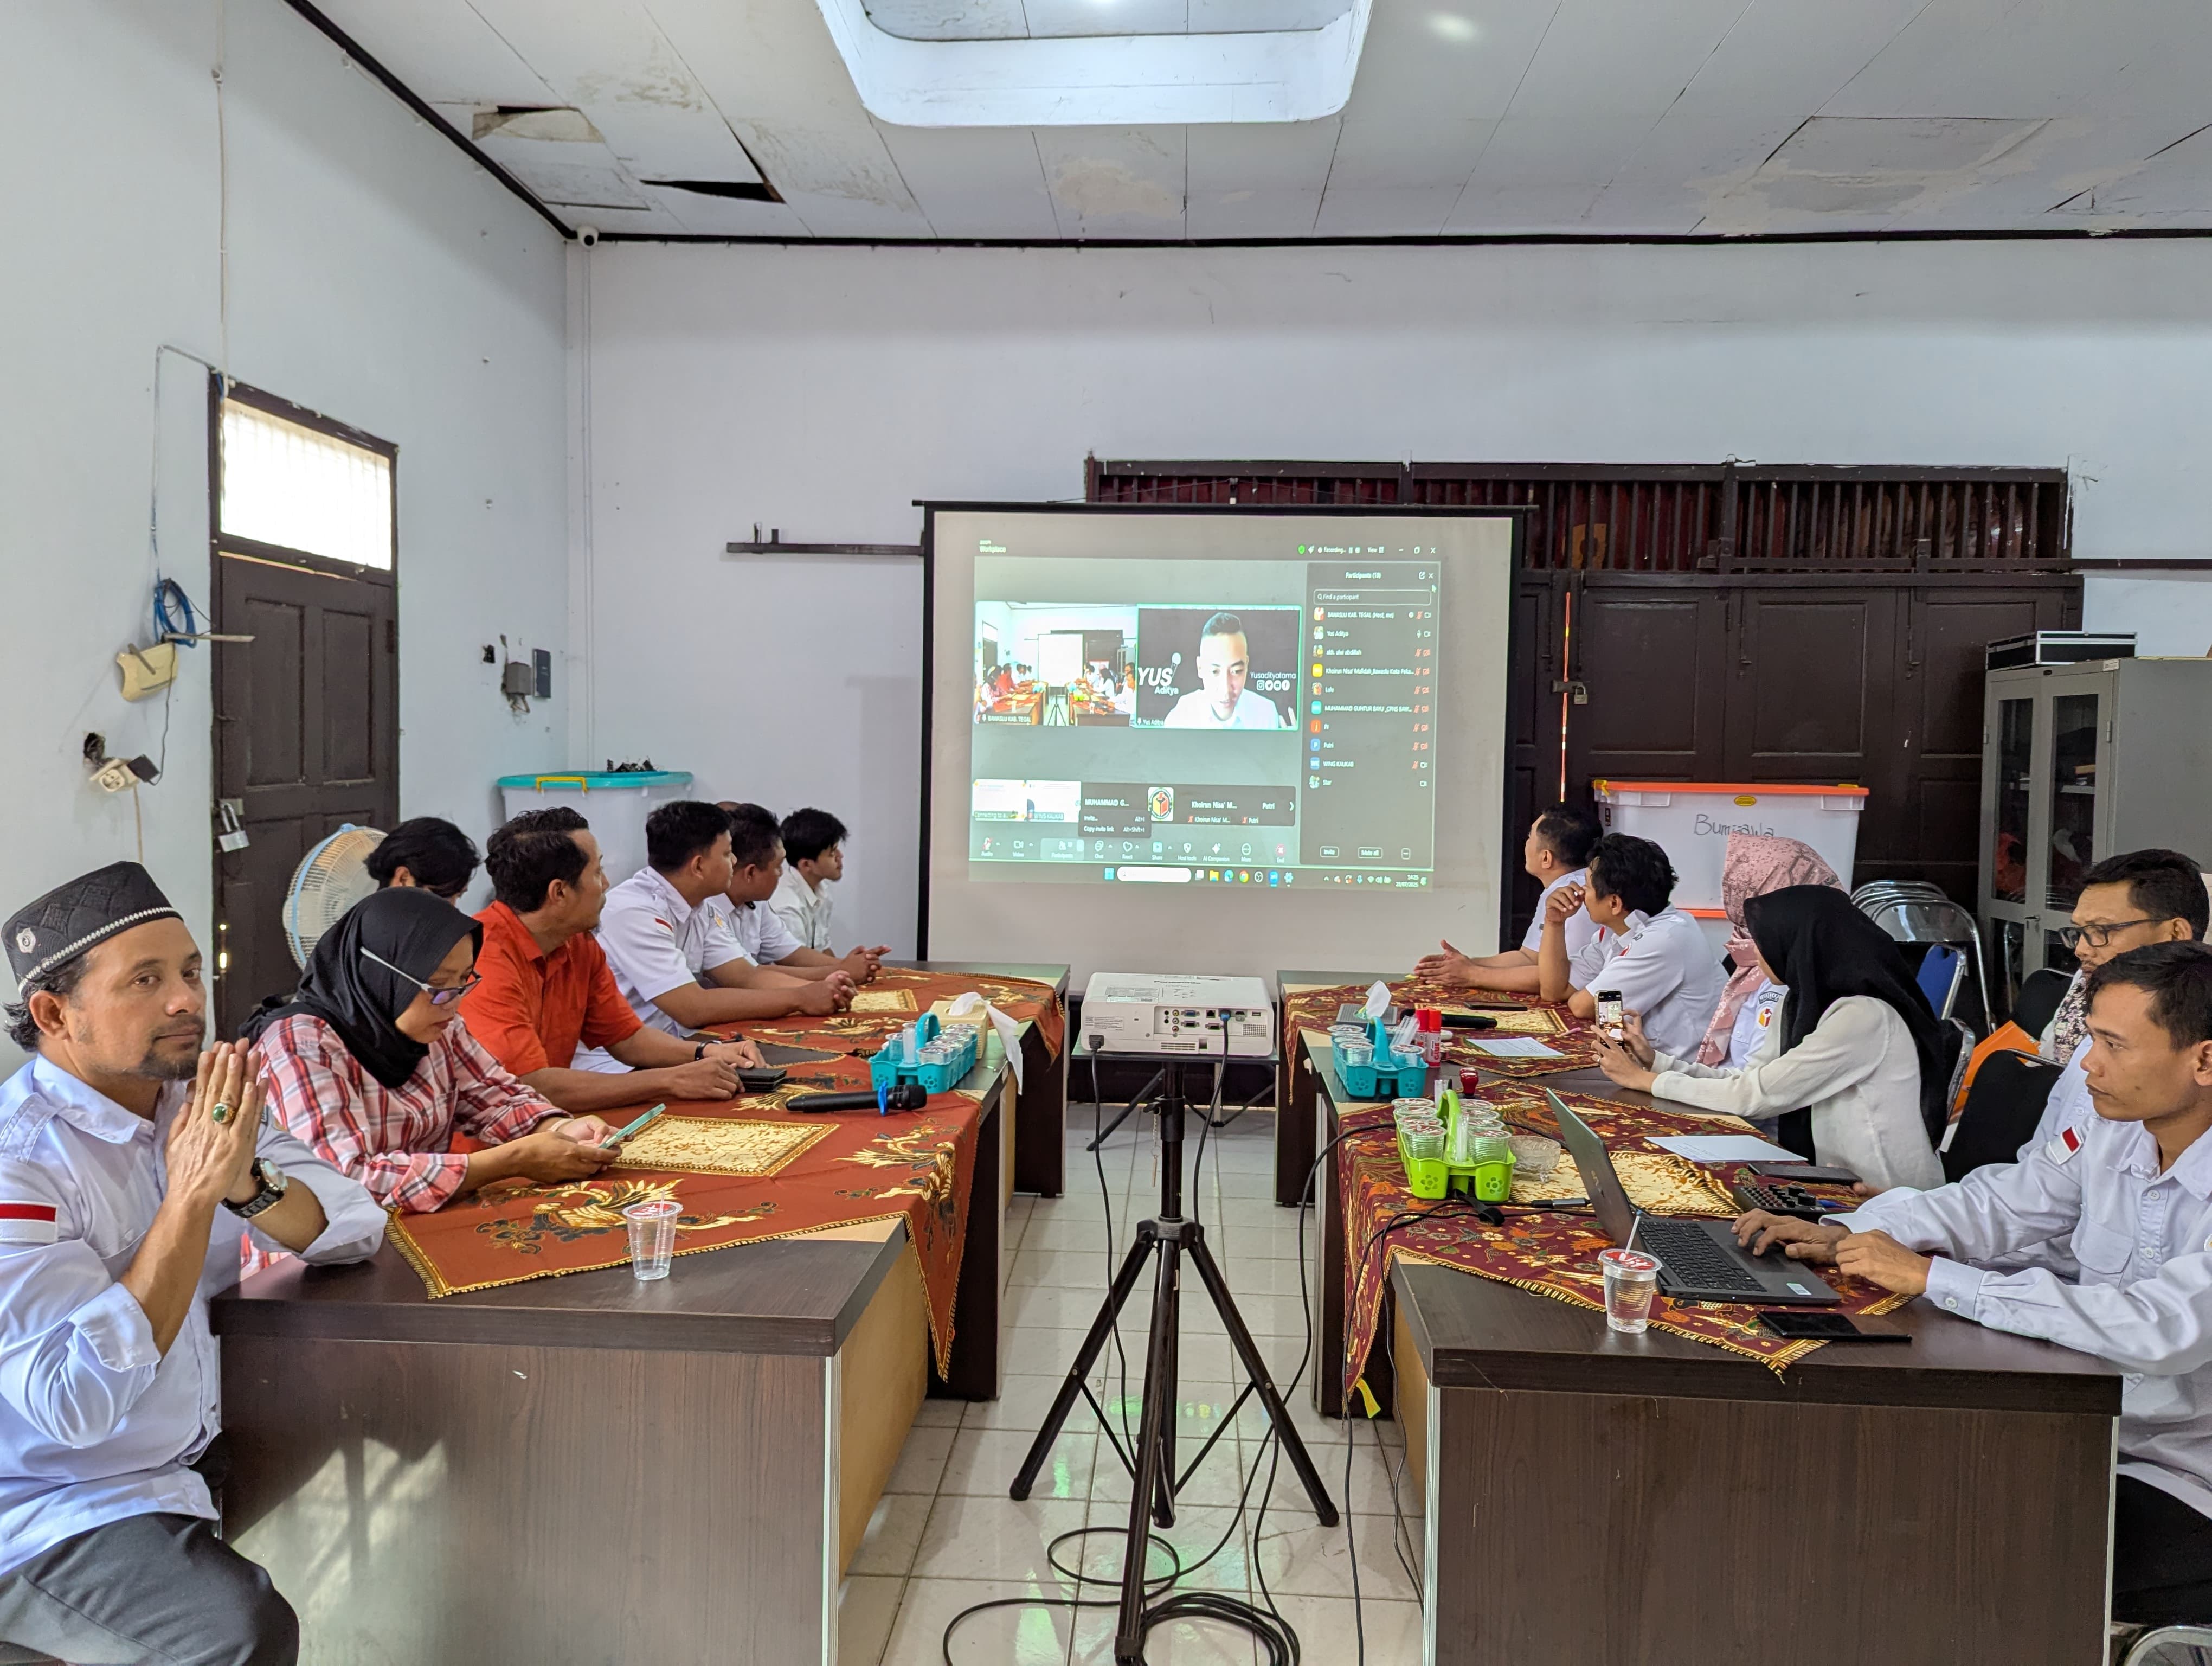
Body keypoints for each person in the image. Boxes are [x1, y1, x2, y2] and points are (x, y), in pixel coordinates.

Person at [1733, 941, 2212, 1627]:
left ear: (2204, 1060)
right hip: (2095, 1430)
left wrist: (1937, 1278)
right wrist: (1859, 1235)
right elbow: (2001, 1204)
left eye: (2113, 1045)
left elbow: (2161, 1330)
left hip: (2186, 1481)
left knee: (1954, 1551)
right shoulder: (2117, 1132)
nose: (2090, 1066)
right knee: (1883, 1487)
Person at [0, 861, 384, 1665]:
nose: (186, 1000)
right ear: (53, 1013)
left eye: (187, 971)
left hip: (181, 1453)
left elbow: (351, 1224)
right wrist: (190, 1199)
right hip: (53, 1502)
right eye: (145, 979)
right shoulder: (20, 1162)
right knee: (233, 1631)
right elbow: (72, 1404)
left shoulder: (192, 1100)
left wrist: (244, 1183)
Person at [248, 889, 623, 1212]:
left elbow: (495, 1097)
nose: (454, 1004)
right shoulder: (303, 1046)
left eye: (464, 982)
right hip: (316, 1261)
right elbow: (343, 1180)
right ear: (381, 976)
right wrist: (510, 1161)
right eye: (440, 986)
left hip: (415, 1225)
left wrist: (560, 1128)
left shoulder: (438, 1023)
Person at [1597, 885, 1950, 1191]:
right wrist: (1657, 1063)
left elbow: (1756, 1096)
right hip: (1838, 1177)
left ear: (1797, 944)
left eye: (1763, 941)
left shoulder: (1864, 1017)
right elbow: (1749, 1079)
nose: (1754, 951)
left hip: (1885, 1197)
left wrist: (1648, 1081)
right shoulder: (1798, 1000)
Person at [456, 808, 762, 1110]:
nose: (606, 884)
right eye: (596, 872)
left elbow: (626, 1038)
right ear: (559, 893)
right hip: (490, 1144)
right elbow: (528, 1084)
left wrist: (706, 1052)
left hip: (550, 1120)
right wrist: (669, 1080)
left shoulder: (577, 941)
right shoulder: (481, 956)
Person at [592, 802, 853, 1043]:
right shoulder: (634, 911)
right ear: (698, 866)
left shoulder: (700, 906)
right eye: (728, 854)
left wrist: (821, 990)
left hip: (679, 1044)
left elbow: (746, 976)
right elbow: (692, 1007)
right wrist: (800, 998)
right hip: (623, 1064)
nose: (736, 861)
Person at [2023, 849, 2209, 1154]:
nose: (2081, 949)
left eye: (2102, 932)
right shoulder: (2097, 1022)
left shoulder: (2189, 1056)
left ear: (2176, 933)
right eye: (2080, 933)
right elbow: (2044, 1161)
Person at [1535, 832, 1724, 1058]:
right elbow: (1554, 991)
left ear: (1614, 903)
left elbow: (1583, 1006)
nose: (1581, 894)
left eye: (1587, 886)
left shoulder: (1664, 939)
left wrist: (1585, 997)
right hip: (1651, 1063)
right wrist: (1554, 923)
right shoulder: (1618, 931)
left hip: (1689, 1073)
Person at [1692, 832, 1844, 1069]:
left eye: (1741, 881)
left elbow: (1754, 1083)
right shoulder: (1744, 951)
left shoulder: (1784, 970)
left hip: (1738, 1097)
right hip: (1724, 1091)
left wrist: (1662, 1078)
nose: (1731, 890)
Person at [1416, 804, 1602, 992]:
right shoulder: (1558, 888)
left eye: (1530, 836)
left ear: (1546, 858)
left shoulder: (1577, 897)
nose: (1526, 842)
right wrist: (1465, 964)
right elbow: (1529, 957)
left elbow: (1557, 977)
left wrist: (1471, 975)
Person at [712, 804, 884, 987]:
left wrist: (850, 965)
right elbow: (748, 976)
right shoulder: (708, 910)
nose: (781, 873)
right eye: (778, 867)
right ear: (751, 873)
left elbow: (792, 952)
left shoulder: (756, 904)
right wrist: (841, 971)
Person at [1161, 613, 1283, 730]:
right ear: (1200, 668)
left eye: (1236, 671)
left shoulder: (1266, 715)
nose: (1226, 690)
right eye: (1215, 672)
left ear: (1246, 666)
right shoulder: (1181, 719)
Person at [770, 806, 845, 953]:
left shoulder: (821, 889)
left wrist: (848, 968)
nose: (840, 856)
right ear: (806, 865)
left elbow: (823, 949)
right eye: (832, 853)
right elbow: (797, 964)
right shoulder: (786, 906)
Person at [364, 816, 480, 901]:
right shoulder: (362, 931)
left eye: (458, 897)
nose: (453, 911)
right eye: (442, 900)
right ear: (403, 879)